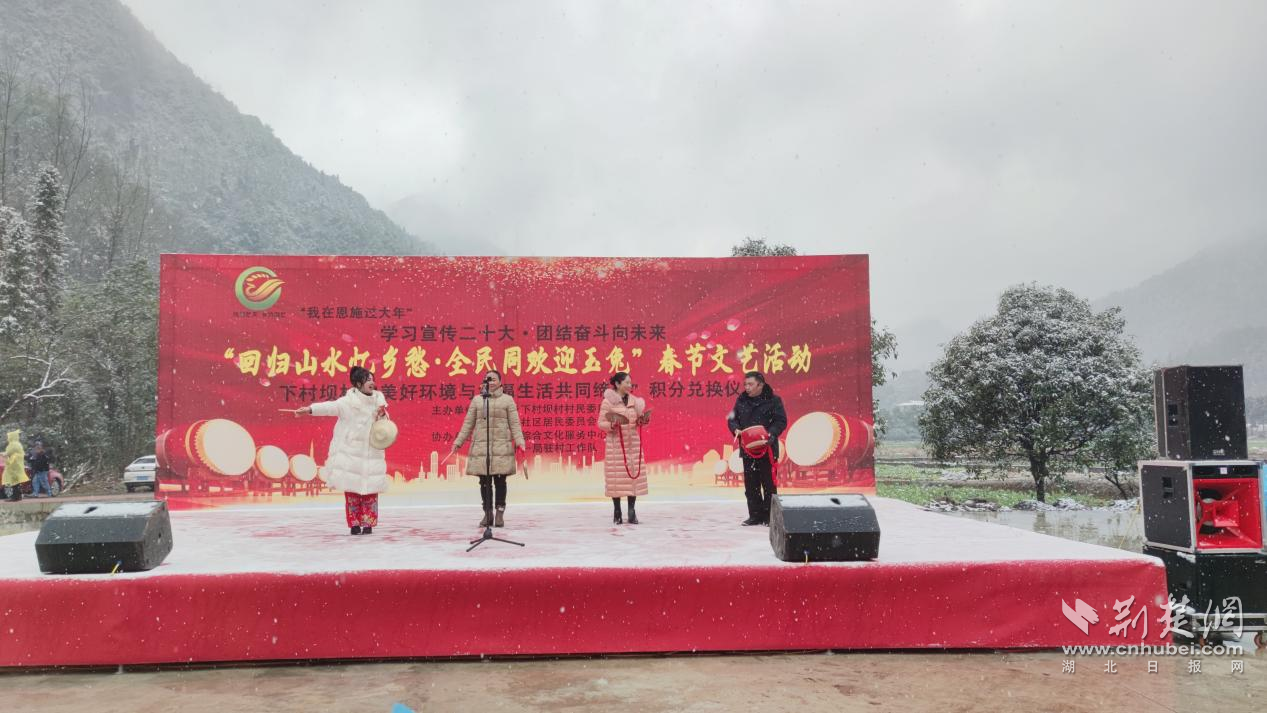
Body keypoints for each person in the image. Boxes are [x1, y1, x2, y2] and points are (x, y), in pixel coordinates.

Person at [295, 366, 390, 535]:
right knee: (353, 490)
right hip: (351, 454)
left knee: (370, 491)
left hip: (372, 453)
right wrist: (310, 409)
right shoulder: (347, 403)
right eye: (368, 380)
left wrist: (382, 416)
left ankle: (368, 524)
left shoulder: (379, 403)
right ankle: (354, 524)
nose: (372, 383)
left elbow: (384, 426)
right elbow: (329, 407)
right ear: (358, 384)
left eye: (372, 379)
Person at [447, 370, 525, 528]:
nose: (491, 382)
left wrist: (520, 442)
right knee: (484, 482)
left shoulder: (508, 400)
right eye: (488, 379)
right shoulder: (478, 400)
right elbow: (468, 424)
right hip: (482, 446)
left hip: (501, 446)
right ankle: (488, 513)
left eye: (494, 379)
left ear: (500, 382)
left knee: (500, 481)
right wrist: (458, 442)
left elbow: (515, 424)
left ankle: (500, 513)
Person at [726, 371, 788, 526]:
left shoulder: (774, 400)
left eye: (750, 384)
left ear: (760, 385)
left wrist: (770, 433)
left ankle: (769, 517)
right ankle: (755, 516)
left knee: (769, 485)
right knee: (751, 485)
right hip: (748, 448)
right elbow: (732, 419)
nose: (747, 387)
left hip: (767, 448)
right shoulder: (741, 400)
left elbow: (781, 421)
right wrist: (736, 429)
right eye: (745, 384)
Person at [599, 372, 650, 524]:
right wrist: (611, 425)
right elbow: (601, 423)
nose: (629, 385)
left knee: (633, 478)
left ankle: (632, 511)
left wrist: (642, 421)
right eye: (626, 382)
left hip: (633, 445)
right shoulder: (608, 402)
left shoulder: (635, 402)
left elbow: (637, 420)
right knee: (616, 480)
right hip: (616, 446)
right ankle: (617, 512)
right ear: (617, 384)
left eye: (630, 382)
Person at [3, 430, 28, 502]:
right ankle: (18, 496)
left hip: (14, 466)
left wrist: (3, 454)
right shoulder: (18, 444)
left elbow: (8, 452)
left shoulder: (13, 444)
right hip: (17, 465)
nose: (8, 438)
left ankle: (15, 497)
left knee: (14, 482)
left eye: (9, 437)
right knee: (16, 483)